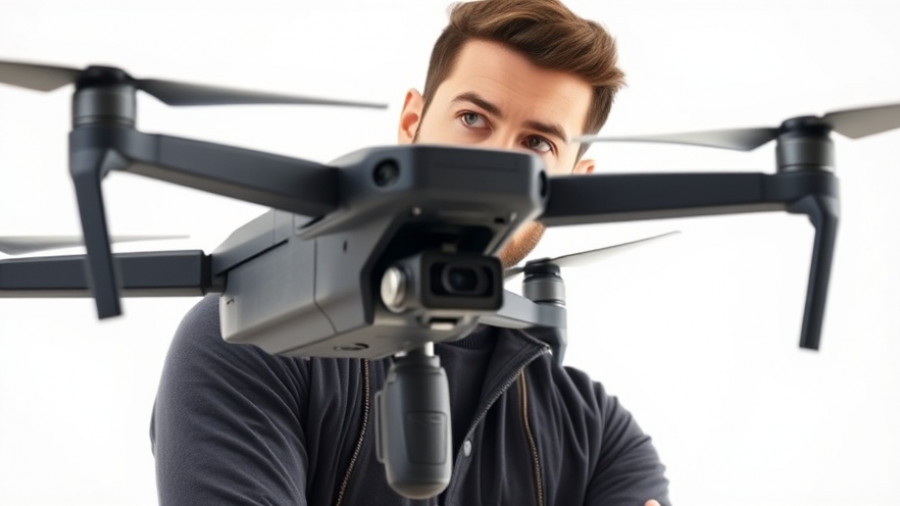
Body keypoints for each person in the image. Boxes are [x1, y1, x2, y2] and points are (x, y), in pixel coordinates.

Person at [150, 0, 671, 504]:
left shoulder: (602, 437)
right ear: (411, 123)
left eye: (538, 145)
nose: (496, 168)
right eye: (473, 119)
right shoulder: (248, 335)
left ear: (573, 189)